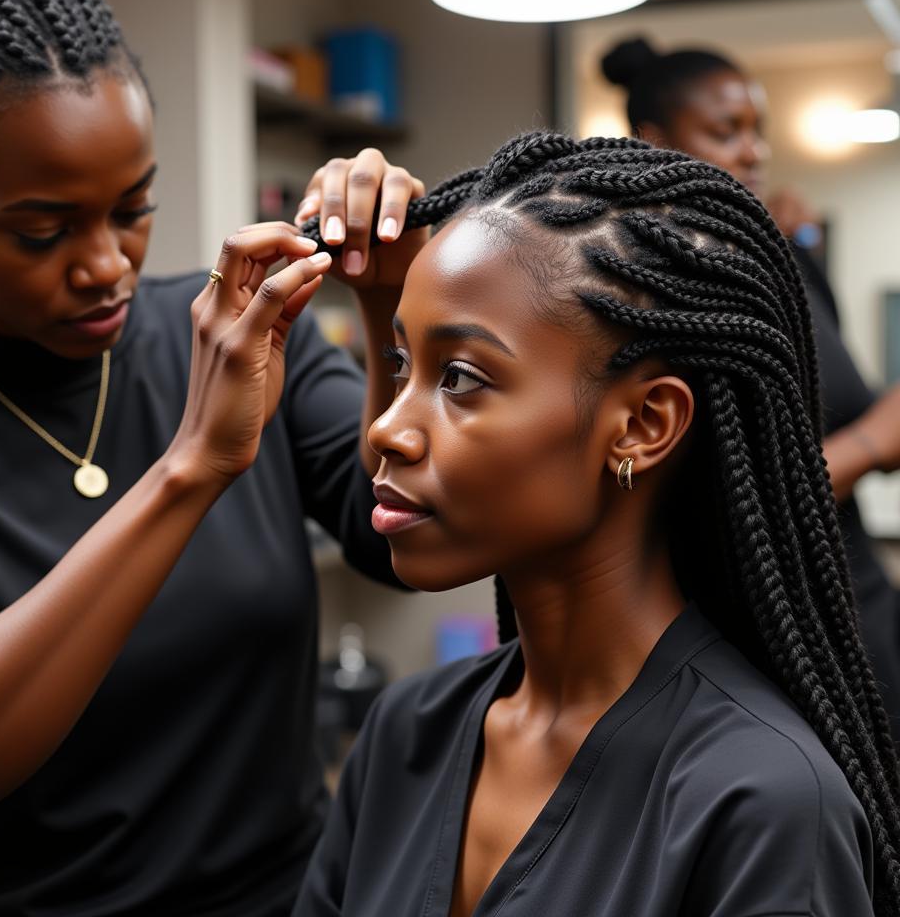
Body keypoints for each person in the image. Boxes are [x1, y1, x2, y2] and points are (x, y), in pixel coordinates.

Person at [0, 0, 426, 916]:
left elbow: (409, 547)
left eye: (133, 210)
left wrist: (390, 313)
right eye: (43, 230)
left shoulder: (228, 335)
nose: (105, 265)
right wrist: (190, 469)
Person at [291, 132, 900, 917]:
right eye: (403, 365)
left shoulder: (762, 800)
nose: (385, 431)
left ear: (645, 424)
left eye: (463, 378)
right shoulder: (406, 733)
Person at [601, 35, 900, 740]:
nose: (753, 150)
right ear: (655, 141)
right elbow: (713, 491)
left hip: (859, 604)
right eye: (725, 130)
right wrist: (873, 440)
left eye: (758, 130)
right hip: (777, 633)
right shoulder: (655, 286)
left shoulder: (781, 260)